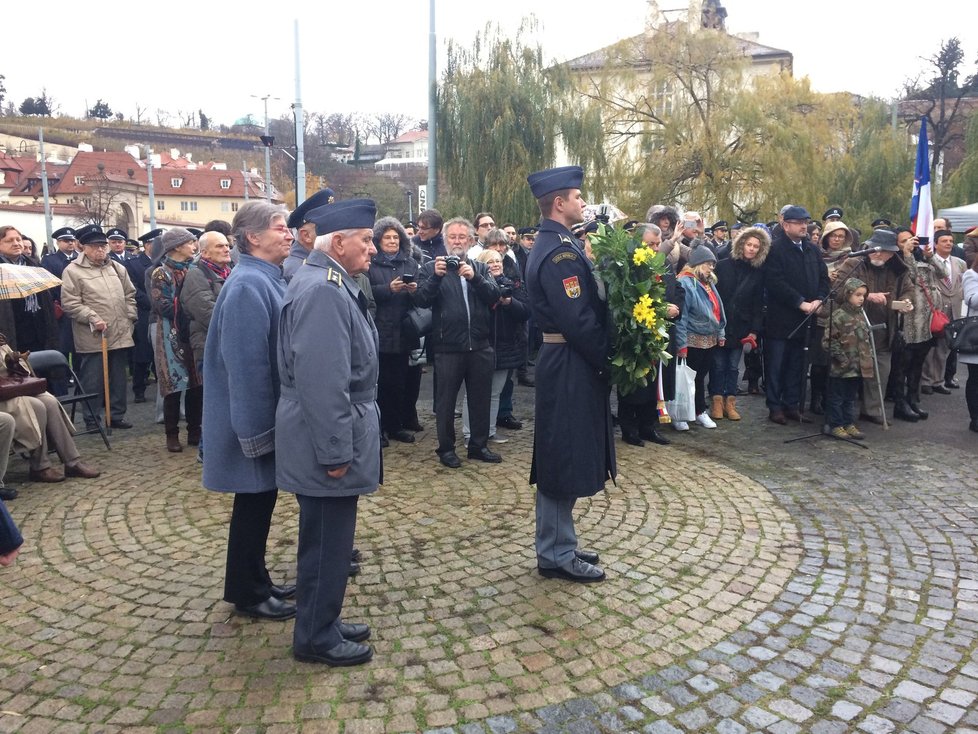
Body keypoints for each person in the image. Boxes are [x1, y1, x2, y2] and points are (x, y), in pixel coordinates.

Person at [275, 199, 379, 667]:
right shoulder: (324, 290)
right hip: (328, 436)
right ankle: (316, 637)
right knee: (325, 542)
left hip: (333, 428)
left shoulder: (330, 281)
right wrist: (335, 450)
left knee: (331, 539)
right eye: (366, 239)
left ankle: (324, 619)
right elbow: (323, 382)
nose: (373, 248)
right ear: (338, 243)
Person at [202, 200, 296, 622]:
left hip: (262, 417)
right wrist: (258, 432)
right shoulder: (246, 286)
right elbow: (247, 367)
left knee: (260, 502)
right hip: (251, 420)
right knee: (252, 504)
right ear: (253, 237)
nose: (289, 234)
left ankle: (256, 579)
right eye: (280, 227)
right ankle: (247, 591)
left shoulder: (265, 278)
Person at [525, 165, 614, 583]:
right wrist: (607, 357)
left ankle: (559, 542)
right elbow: (577, 320)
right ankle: (557, 552)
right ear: (559, 204)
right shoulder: (558, 252)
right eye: (577, 197)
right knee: (563, 455)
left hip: (566, 361)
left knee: (565, 451)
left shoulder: (559, 243)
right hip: (567, 361)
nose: (583, 202)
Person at [414, 217, 501, 468]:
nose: (457, 241)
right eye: (452, 237)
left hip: (480, 346)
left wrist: (475, 278)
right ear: (445, 240)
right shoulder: (432, 268)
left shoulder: (481, 268)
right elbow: (420, 299)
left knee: (480, 399)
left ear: (471, 240)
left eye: (462, 237)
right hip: (448, 347)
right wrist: (436, 278)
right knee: (446, 402)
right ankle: (446, 448)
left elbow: (494, 297)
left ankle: (478, 445)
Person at [60, 224, 137, 429]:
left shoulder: (117, 268)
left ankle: (116, 416)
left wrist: (130, 317)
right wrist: (92, 317)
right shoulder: (73, 271)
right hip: (94, 336)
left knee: (118, 378)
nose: (100, 250)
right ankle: (92, 419)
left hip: (120, 332)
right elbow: (70, 303)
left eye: (103, 246)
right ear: (83, 247)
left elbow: (130, 294)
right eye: (94, 246)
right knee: (93, 379)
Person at [832, 229, 912, 424]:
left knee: (881, 370)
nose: (877, 254)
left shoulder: (897, 269)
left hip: (884, 329)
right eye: (874, 249)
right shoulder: (854, 263)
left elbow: (908, 289)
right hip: (853, 328)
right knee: (848, 375)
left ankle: (872, 410)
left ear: (892, 253)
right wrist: (867, 296)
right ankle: (841, 417)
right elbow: (838, 290)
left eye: (882, 251)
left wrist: (906, 301)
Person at [762, 206, 830, 424]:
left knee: (797, 365)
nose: (804, 226)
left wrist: (820, 299)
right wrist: (800, 302)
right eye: (799, 222)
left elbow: (823, 278)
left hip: (807, 319)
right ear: (786, 225)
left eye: (806, 222)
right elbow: (774, 282)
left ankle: (792, 404)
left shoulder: (811, 249)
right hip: (781, 319)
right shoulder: (775, 249)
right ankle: (775, 407)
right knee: (777, 365)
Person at [0, 335, 100, 482]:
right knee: (37, 406)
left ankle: (72, 461)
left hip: (13, 388)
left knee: (50, 401)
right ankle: (40, 466)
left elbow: (20, 369)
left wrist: (14, 359)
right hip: (4, 398)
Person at [618, 223, 681, 442]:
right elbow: (628, 299)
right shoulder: (629, 266)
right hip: (638, 334)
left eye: (657, 243)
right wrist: (661, 310)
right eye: (650, 244)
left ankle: (648, 425)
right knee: (635, 382)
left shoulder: (663, 264)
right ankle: (629, 427)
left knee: (656, 381)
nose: (655, 248)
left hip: (662, 332)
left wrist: (675, 308)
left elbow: (678, 289)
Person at [465, 248, 528, 444]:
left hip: (506, 345)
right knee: (474, 393)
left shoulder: (512, 285)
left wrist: (509, 302)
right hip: (482, 344)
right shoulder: (472, 286)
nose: (495, 264)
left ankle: (490, 431)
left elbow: (525, 311)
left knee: (495, 393)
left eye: (498, 260)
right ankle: (470, 433)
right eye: (490, 261)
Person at [367, 217, 421, 445]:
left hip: (402, 330)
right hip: (379, 329)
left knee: (399, 383)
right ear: (378, 240)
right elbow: (367, 292)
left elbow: (421, 296)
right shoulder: (370, 262)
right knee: (379, 384)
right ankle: (379, 430)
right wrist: (388, 289)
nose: (392, 241)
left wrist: (414, 289)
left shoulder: (410, 263)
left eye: (396, 237)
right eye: (387, 237)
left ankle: (396, 425)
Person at [150, 228, 202, 452]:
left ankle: (195, 430)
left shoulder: (194, 269)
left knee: (196, 384)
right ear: (177, 247)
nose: (194, 246)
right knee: (173, 383)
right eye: (190, 243)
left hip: (191, 332)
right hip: (171, 333)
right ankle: (172, 434)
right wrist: (191, 307)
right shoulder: (161, 273)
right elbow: (162, 305)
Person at [711, 226, 769, 421]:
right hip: (721, 323)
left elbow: (757, 303)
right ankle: (717, 401)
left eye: (756, 246)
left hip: (741, 326)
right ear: (741, 244)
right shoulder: (723, 265)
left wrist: (754, 330)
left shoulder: (758, 272)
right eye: (749, 244)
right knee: (718, 365)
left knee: (734, 366)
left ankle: (730, 401)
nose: (752, 249)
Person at [891, 228, 940, 421]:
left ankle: (913, 400)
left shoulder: (924, 259)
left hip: (926, 321)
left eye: (910, 240)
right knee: (902, 365)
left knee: (917, 364)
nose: (907, 243)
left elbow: (943, 273)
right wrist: (907, 254)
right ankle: (899, 404)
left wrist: (931, 256)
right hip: (908, 320)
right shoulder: (897, 261)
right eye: (902, 241)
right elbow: (909, 276)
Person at [676, 247, 726, 429]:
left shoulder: (708, 282)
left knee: (700, 377)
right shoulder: (685, 282)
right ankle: (680, 414)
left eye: (713, 264)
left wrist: (721, 332)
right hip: (692, 338)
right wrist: (681, 344)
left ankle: (698, 411)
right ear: (697, 264)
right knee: (686, 378)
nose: (711, 267)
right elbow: (682, 316)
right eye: (708, 264)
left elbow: (718, 309)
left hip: (709, 338)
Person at [808, 221, 855, 415]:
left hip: (842, 315)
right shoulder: (815, 255)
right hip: (822, 313)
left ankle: (831, 399)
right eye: (833, 236)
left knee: (835, 361)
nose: (837, 240)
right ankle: (815, 398)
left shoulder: (851, 258)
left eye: (841, 236)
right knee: (819, 361)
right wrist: (827, 278)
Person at [824, 278, 873, 440]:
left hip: (857, 366)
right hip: (841, 367)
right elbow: (829, 341)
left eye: (864, 295)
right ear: (848, 294)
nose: (861, 298)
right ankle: (836, 424)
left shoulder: (861, 315)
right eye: (857, 294)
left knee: (851, 397)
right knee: (837, 397)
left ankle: (848, 422)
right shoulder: (838, 316)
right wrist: (841, 358)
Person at [0, 226, 59, 354]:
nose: (16, 243)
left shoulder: (33, 265)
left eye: (18, 239)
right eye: (9, 240)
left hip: (38, 332)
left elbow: (46, 301)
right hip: (10, 332)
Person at [922, 229, 967, 395]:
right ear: (935, 244)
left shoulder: (959, 263)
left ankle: (938, 380)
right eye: (944, 241)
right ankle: (925, 380)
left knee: (944, 348)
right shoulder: (929, 262)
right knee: (930, 348)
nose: (948, 243)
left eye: (950, 240)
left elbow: (962, 285)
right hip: (935, 310)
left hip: (953, 310)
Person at [126, 229, 162, 403]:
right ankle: (138, 389)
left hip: (159, 313)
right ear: (148, 244)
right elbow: (133, 289)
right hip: (143, 312)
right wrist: (151, 301)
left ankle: (160, 385)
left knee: (160, 352)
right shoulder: (133, 263)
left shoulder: (162, 262)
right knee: (142, 352)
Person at [41, 227, 79, 386]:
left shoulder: (80, 258)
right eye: (66, 241)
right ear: (58, 242)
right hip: (60, 308)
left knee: (79, 347)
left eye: (72, 240)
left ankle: (78, 377)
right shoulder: (50, 260)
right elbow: (47, 284)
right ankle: (62, 378)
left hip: (79, 307)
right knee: (62, 346)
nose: (70, 243)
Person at [284, 188, 335, 281]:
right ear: (306, 235)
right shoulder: (296, 271)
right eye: (326, 227)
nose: (333, 232)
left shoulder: (317, 262)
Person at [961, 257, 978, 432]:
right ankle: (975, 418)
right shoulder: (971, 274)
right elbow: (971, 300)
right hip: (976, 334)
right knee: (976, 378)